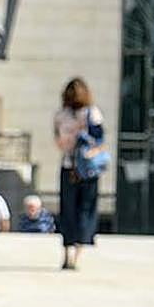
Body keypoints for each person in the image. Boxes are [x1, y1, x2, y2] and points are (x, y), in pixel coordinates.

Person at [53, 78, 104, 270]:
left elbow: (58, 143)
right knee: (86, 210)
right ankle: (77, 255)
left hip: (68, 166)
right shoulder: (92, 113)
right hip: (88, 169)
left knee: (68, 210)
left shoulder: (61, 116)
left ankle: (67, 253)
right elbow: (100, 140)